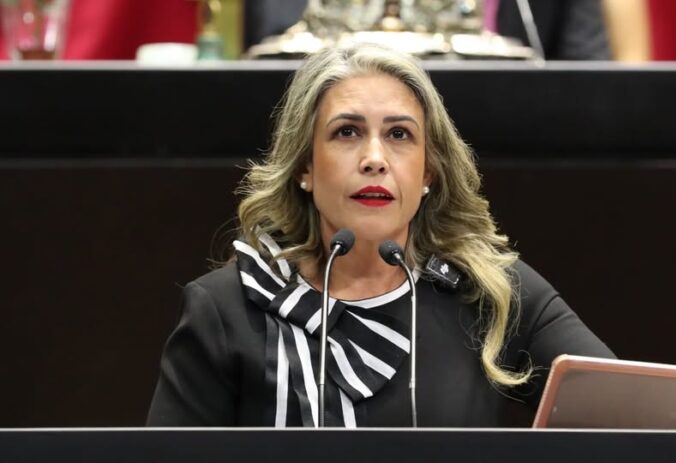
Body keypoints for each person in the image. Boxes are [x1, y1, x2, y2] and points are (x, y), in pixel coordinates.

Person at [146, 43, 614, 428]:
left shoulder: (493, 294)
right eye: (347, 132)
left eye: (399, 135)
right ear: (305, 166)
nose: (374, 158)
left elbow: (631, 418)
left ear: (428, 171)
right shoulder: (228, 308)